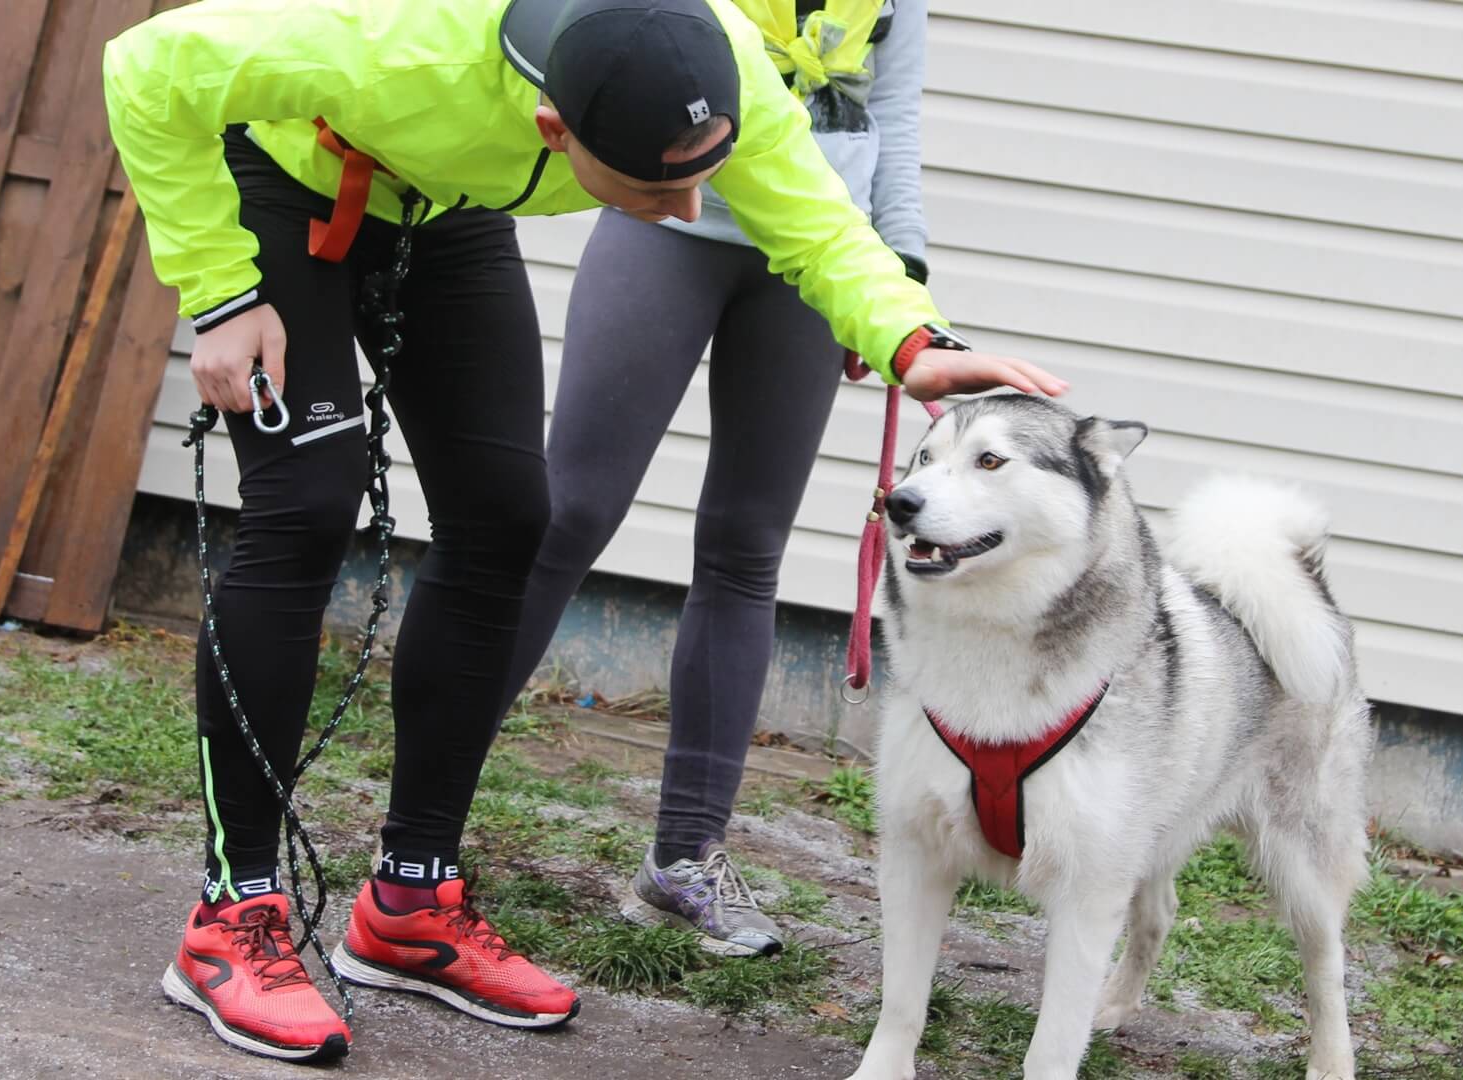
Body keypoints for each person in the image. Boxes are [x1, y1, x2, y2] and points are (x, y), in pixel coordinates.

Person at [102, 0, 1066, 1063]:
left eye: (700, 172)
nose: (693, 202)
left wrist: (911, 340)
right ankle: (231, 918)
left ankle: (411, 902)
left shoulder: (723, 56)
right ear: (557, 133)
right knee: (307, 504)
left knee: (509, 518)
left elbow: (811, 214)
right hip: (291, 189)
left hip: (447, 205)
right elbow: (147, 67)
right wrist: (223, 290)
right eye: (662, 190)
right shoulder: (394, 43)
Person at [501, 0, 934, 959]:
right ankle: (429, 814)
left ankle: (684, 860)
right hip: (667, 228)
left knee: (746, 548)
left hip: (812, 258)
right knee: (568, 513)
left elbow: (893, 121)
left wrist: (898, 272)